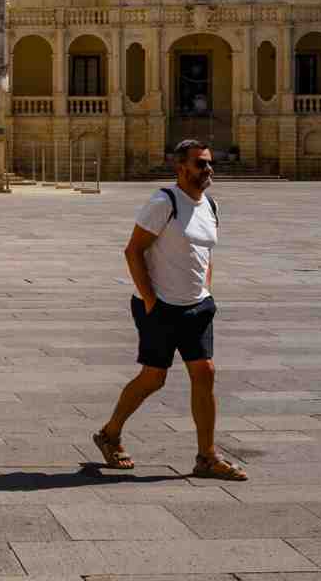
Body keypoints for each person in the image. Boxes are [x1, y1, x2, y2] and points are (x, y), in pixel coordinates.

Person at [92, 139, 247, 481]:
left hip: (197, 307)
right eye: (200, 164)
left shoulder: (211, 206)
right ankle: (109, 433)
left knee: (204, 373)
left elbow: (205, 254)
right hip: (160, 307)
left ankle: (206, 456)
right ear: (181, 168)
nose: (208, 170)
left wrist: (206, 291)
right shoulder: (164, 203)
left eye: (209, 163)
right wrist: (150, 301)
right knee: (153, 378)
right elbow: (133, 251)